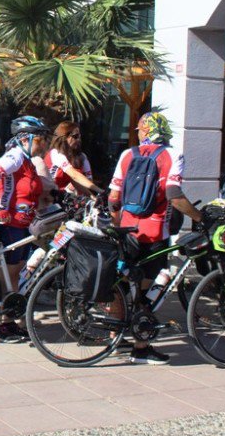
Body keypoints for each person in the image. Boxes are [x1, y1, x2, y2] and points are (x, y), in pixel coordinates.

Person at [108, 111, 202, 365]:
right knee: (154, 283)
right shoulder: (171, 155)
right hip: (155, 231)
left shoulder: (127, 155)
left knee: (123, 281)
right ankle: (141, 346)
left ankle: (116, 336)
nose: (137, 133)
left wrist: (118, 225)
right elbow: (173, 193)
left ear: (145, 131)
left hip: (128, 229)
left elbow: (113, 198)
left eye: (138, 129)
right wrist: (199, 217)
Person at [0, 116, 53, 341]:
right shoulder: (14, 155)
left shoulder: (27, 159)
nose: (44, 143)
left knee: (16, 271)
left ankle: (8, 320)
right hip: (10, 224)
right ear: (26, 138)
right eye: (40, 139)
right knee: (9, 274)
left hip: (22, 224)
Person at [45, 121, 103, 195]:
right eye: (75, 136)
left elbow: (88, 180)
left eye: (79, 136)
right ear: (64, 137)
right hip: (53, 197)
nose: (78, 140)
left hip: (73, 199)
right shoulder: (56, 153)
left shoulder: (82, 156)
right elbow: (74, 175)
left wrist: (93, 196)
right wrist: (99, 190)